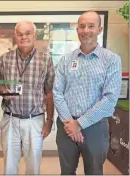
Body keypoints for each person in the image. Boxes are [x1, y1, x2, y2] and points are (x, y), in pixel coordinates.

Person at [53, 11, 122, 175]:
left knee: (94, 172)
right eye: (82, 26)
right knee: (66, 172)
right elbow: (57, 92)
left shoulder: (111, 60)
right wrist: (71, 124)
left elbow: (110, 99)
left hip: (96, 127)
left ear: (99, 29)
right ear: (77, 30)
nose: (86, 30)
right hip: (66, 125)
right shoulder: (66, 60)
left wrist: (79, 124)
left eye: (91, 26)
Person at [0, 20, 55, 174]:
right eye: (20, 34)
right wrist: (2, 89)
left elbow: (49, 92)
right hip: (10, 119)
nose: (24, 37)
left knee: (33, 166)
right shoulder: (5, 59)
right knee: (9, 165)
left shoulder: (46, 59)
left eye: (28, 33)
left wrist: (49, 121)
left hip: (34, 120)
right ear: (16, 36)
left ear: (34, 35)